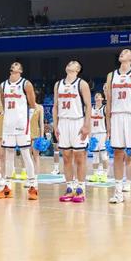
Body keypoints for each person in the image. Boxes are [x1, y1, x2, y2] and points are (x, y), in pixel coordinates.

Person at [105, 49, 131, 205]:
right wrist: (108, 122)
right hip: (116, 115)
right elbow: (109, 101)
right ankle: (118, 192)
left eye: (126, 52)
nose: (122, 53)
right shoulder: (111, 75)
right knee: (118, 153)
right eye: (121, 52)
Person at [0, 62, 39, 200]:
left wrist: (26, 120)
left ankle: (33, 186)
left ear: (20, 70)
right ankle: (7, 187)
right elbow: (3, 103)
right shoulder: (3, 85)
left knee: (26, 153)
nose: (14, 65)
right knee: (8, 154)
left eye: (17, 65)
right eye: (13, 65)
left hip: (22, 124)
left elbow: (33, 104)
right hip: (8, 124)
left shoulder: (26, 84)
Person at [54, 61, 92, 203]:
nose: (70, 63)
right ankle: (70, 188)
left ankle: (81, 188)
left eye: (74, 63)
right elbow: (55, 106)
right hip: (63, 122)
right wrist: (55, 125)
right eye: (69, 62)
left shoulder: (82, 84)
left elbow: (88, 106)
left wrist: (86, 125)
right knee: (66, 157)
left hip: (77, 121)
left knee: (79, 157)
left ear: (78, 69)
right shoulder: (58, 84)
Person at [88, 92, 109, 183]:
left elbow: (108, 121)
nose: (97, 97)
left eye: (99, 96)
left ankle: (105, 175)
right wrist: (89, 134)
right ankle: (95, 175)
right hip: (94, 134)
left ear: (102, 98)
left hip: (102, 133)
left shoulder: (104, 108)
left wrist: (108, 134)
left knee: (104, 155)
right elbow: (89, 122)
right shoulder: (91, 109)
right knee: (95, 156)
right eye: (96, 96)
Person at [29, 103, 45, 177]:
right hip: (26, 134)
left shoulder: (40, 107)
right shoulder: (25, 106)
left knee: (36, 156)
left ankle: (37, 175)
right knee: (28, 157)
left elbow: (41, 123)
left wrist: (42, 137)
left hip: (36, 134)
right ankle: (30, 175)